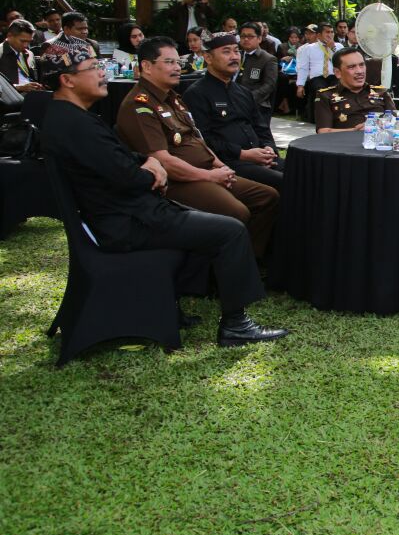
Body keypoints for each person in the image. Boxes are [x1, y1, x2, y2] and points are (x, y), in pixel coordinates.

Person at [38, 45, 287, 347]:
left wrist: (147, 162)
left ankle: (178, 304)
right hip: (128, 221)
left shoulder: (70, 117)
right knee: (230, 229)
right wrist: (152, 169)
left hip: (127, 212)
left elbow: (117, 158)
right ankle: (236, 324)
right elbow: (128, 177)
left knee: (238, 211)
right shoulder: (76, 124)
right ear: (68, 80)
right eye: (94, 68)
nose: (103, 74)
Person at [115, 37, 279, 260]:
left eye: (177, 62)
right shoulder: (140, 104)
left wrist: (221, 167)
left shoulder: (174, 99)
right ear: (146, 66)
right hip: (178, 181)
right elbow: (163, 160)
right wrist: (211, 176)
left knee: (267, 196)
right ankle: (227, 269)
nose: (177, 68)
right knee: (237, 211)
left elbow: (198, 140)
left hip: (208, 170)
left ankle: (250, 259)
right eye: (169, 62)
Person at [184, 33, 284, 191]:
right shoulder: (196, 94)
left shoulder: (243, 92)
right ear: (208, 58)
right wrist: (243, 154)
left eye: (236, 51)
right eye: (226, 52)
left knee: (304, 171)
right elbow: (204, 139)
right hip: (229, 162)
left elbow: (261, 127)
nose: (234, 57)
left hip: (260, 157)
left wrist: (269, 149)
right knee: (285, 181)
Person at [313, 46, 396, 132]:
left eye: (361, 65)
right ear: (337, 72)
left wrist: (380, 126)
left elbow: (397, 122)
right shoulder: (326, 96)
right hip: (344, 143)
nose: (359, 71)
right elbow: (323, 131)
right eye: (351, 67)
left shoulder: (381, 92)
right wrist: (356, 131)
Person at [236, 22, 278, 127]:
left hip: (257, 104)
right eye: (243, 36)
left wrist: (248, 98)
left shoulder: (268, 59)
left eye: (250, 36)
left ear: (259, 38)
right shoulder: (236, 56)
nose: (246, 39)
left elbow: (269, 85)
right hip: (234, 100)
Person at [295, 22, 340, 120]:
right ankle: (320, 118)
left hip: (334, 76)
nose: (330, 35)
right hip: (317, 78)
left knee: (336, 89)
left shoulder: (339, 46)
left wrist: (333, 49)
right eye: (327, 32)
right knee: (320, 89)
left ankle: (337, 117)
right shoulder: (309, 48)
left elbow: (342, 63)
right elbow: (303, 68)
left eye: (332, 32)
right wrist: (300, 85)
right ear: (319, 35)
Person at [0, 19, 45, 93]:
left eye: (29, 41)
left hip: (32, 96)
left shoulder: (29, 54)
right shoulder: (1, 52)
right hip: (10, 99)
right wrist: (19, 87)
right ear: (9, 36)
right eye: (23, 41)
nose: (26, 45)